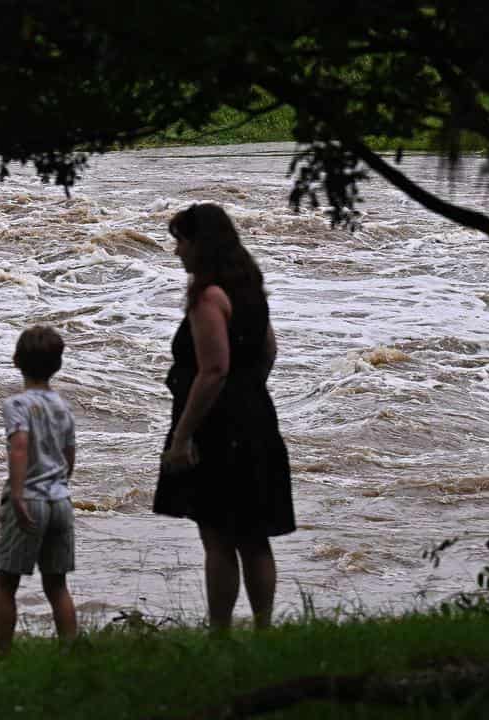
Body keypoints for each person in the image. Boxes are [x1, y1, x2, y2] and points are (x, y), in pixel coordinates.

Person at [154, 203, 295, 632]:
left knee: (217, 537)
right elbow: (269, 350)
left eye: (181, 240)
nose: (177, 251)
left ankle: (219, 632)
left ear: (201, 244)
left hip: (218, 429)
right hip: (257, 419)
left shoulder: (208, 297)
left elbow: (213, 370)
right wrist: (249, 392)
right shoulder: (250, 287)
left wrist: (182, 439)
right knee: (255, 537)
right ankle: (265, 630)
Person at [0, 325, 78, 656]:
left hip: (30, 499)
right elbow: (70, 455)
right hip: (60, 501)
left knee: (5, 582)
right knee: (57, 585)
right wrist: (60, 483)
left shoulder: (17, 404)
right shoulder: (62, 406)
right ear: (57, 365)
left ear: (16, 360)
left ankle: (2, 657)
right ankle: (70, 652)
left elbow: (19, 446)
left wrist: (17, 493)